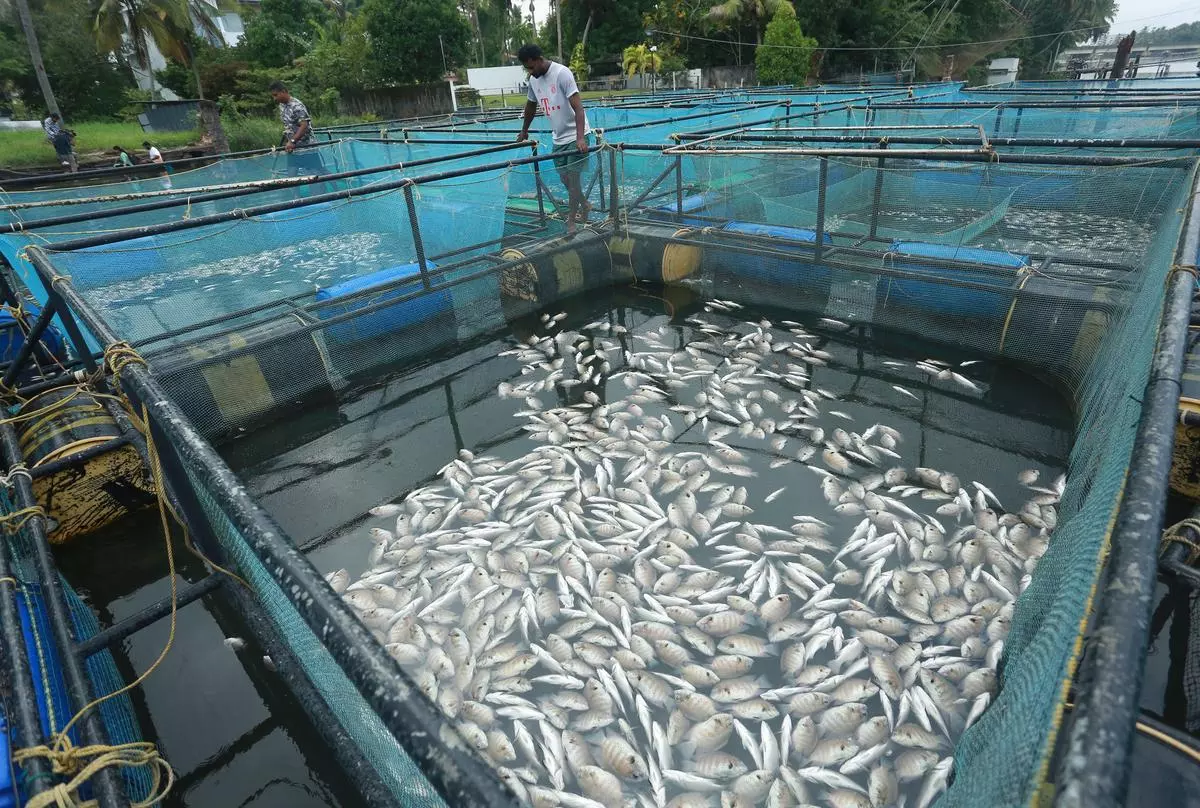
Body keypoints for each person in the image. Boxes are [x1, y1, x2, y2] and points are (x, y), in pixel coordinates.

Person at [515, 44, 592, 233]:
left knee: (573, 181)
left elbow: (579, 108)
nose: (530, 73)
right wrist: (524, 130)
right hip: (558, 138)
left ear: (539, 59)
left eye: (532, 67)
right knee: (565, 180)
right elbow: (530, 107)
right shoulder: (534, 81)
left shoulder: (562, 73)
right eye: (527, 69)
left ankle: (572, 220)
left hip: (576, 136)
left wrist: (580, 138)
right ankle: (585, 204)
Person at [269, 80, 314, 152]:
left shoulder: (296, 106)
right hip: (292, 149)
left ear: (283, 91)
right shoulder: (282, 105)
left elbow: (304, 126)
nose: (275, 98)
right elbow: (288, 125)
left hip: (306, 148)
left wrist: (292, 141)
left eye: (276, 95)